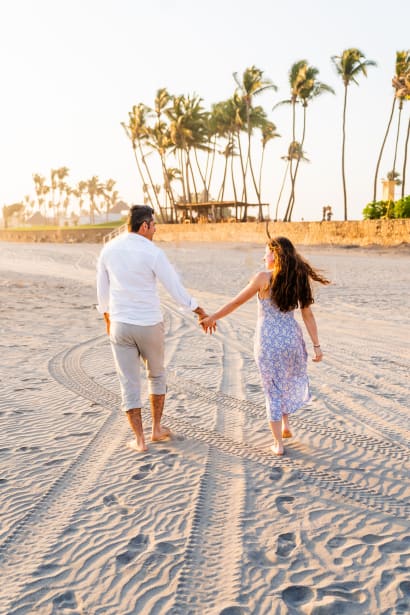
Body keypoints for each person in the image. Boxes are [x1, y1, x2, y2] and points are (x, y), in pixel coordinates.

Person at [96, 205, 212, 453]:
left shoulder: (109, 248)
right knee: (156, 376)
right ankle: (156, 429)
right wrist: (198, 309)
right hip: (149, 324)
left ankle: (139, 440)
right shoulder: (153, 252)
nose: (156, 229)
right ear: (144, 225)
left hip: (120, 326)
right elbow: (174, 287)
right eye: (154, 224)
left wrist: (108, 319)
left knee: (128, 383)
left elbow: (102, 292)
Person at [200, 236, 330, 456]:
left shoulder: (263, 278)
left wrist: (213, 317)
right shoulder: (299, 279)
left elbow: (236, 302)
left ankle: (278, 443)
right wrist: (316, 346)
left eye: (266, 253)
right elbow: (307, 314)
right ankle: (286, 426)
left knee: (273, 389)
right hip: (291, 339)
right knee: (286, 380)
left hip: (268, 341)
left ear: (276, 254)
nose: (263, 257)